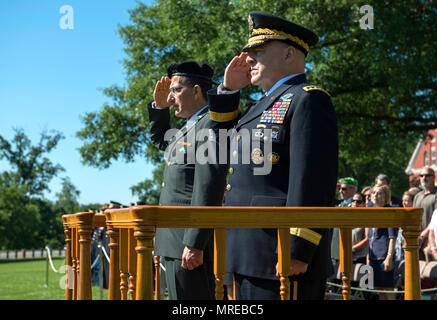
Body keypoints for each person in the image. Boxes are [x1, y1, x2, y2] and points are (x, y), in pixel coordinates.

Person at [207, 11, 338, 300]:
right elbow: (218, 149)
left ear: (289, 54)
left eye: (259, 52)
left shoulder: (308, 98)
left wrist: (297, 248)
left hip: (279, 255)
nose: (249, 59)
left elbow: (313, 181)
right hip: (244, 251)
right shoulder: (259, 107)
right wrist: (228, 91)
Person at [148, 61, 228, 300]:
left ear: (196, 91)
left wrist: (195, 242)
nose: (171, 98)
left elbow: (209, 185)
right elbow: (161, 140)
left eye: (175, 90)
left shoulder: (211, 123)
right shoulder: (189, 127)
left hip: (190, 243)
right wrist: (159, 108)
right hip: (176, 241)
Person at [367, 183, 398, 300]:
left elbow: (392, 237)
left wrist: (389, 257)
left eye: (379, 193)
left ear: (385, 197)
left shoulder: (389, 212)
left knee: (388, 289)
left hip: (384, 257)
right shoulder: (371, 211)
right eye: (374, 193)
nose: (376, 195)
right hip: (373, 256)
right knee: (380, 290)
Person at [413, 167, 437, 260]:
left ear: (434, 177)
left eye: (427, 175)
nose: (424, 177)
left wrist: (423, 235)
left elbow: (435, 220)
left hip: (432, 241)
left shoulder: (435, 195)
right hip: (417, 240)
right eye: (421, 175)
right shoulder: (417, 196)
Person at [350, 193, 369, 264]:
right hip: (345, 257)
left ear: (364, 204)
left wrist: (352, 249)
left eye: (358, 201)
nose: (355, 203)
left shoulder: (366, 219)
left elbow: (367, 239)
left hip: (360, 259)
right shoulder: (346, 218)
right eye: (353, 200)